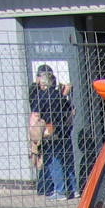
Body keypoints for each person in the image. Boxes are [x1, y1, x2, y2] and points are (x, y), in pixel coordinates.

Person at [28, 64, 76, 200]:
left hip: (49, 132)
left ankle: (60, 191)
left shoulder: (41, 96)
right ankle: (73, 189)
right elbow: (71, 110)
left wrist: (34, 132)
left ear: (43, 84)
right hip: (62, 131)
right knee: (67, 160)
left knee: (53, 162)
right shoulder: (59, 96)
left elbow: (35, 115)